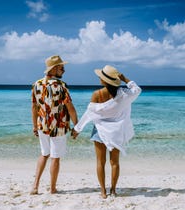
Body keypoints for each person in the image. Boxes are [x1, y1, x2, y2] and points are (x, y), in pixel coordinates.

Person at [72, 65, 141, 199]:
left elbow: (89, 114)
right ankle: (113, 191)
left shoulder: (97, 94)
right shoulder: (125, 94)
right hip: (116, 132)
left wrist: (77, 129)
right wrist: (124, 78)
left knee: (100, 162)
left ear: (104, 81)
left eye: (101, 77)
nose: (99, 78)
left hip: (99, 131)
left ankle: (103, 191)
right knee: (114, 162)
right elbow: (137, 89)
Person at [30, 55, 78, 195]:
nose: (64, 70)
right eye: (62, 67)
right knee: (55, 157)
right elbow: (70, 108)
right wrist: (77, 126)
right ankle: (52, 188)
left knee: (44, 154)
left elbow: (34, 107)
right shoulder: (61, 86)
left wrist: (34, 126)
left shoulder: (36, 84)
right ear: (55, 68)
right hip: (59, 126)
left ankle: (35, 186)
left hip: (42, 126)